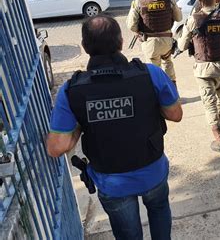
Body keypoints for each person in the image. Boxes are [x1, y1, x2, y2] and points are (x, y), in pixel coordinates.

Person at [46, 15, 183, 240]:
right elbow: (175, 114)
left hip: (111, 181)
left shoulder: (72, 90)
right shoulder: (151, 74)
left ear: (85, 47)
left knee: (128, 234)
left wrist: (84, 120)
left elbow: (56, 147)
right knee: (159, 210)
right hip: (152, 170)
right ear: (120, 42)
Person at [177, 0, 220, 153]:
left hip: (203, 69)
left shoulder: (193, 19)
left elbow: (181, 46)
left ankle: (218, 139)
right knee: (219, 93)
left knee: (209, 102)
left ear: (200, 1)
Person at [127, 0, 182, 83]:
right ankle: (173, 94)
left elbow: (131, 25)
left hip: (150, 42)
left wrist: (138, 31)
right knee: (168, 64)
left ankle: (158, 97)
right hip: (167, 41)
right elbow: (179, 18)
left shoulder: (138, 1)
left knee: (154, 72)